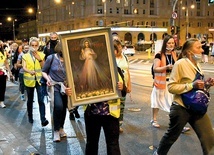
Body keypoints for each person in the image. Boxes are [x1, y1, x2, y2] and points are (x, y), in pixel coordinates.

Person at [154, 38, 214, 155]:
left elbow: (197, 88)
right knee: (171, 136)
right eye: (198, 47)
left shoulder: (197, 65)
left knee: (208, 137)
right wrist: (192, 85)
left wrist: (206, 84)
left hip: (196, 107)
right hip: (181, 108)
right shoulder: (180, 64)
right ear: (189, 52)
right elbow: (171, 87)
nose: (202, 50)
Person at [84, 77, 124, 155]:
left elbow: (124, 91)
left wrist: (122, 87)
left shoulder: (115, 69)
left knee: (113, 146)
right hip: (92, 114)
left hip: (111, 115)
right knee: (91, 144)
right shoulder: (87, 71)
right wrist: (70, 92)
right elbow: (77, 88)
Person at [42, 42, 69, 142]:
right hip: (55, 86)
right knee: (58, 106)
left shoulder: (69, 59)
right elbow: (44, 71)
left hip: (66, 87)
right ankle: (56, 130)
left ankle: (61, 127)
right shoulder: (51, 58)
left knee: (64, 108)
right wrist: (47, 79)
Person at [150, 35, 177, 128]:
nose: (171, 45)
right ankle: (154, 119)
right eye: (169, 43)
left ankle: (176, 123)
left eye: (172, 43)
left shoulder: (174, 54)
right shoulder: (159, 54)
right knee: (156, 101)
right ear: (165, 44)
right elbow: (155, 69)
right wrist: (166, 67)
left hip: (171, 82)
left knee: (173, 103)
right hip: (160, 83)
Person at [22, 37, 49, 126]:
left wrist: (39, 59)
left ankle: (43, 119)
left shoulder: (41, 54)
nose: (34, 47)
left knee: (41, 100)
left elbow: (44, 66)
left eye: (36, 45)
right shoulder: (25, 55)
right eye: (32, 45)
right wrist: (30, 72)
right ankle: (30, 116)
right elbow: (24, 67)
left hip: (39, 80)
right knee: (30, 100)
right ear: (29, 46)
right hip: (29, 81)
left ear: (38, 46)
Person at [113, 39, 131, 133]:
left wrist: (129, 85)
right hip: (115, 87)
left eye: (120, 47)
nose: (119, 49)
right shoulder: (111, 59)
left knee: (122, 106)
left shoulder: (125, 57)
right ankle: (114, 123)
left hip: (123, 86)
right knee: (115, 106)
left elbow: (128, 71)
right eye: (116, 47)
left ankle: (119, 124)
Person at [0, 40, 13, 108]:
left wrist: (10, 73)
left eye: (0, 45)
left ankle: (1, 101)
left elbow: (6, 63)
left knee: (2, 87)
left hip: (2, 72)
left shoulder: (3, 53)